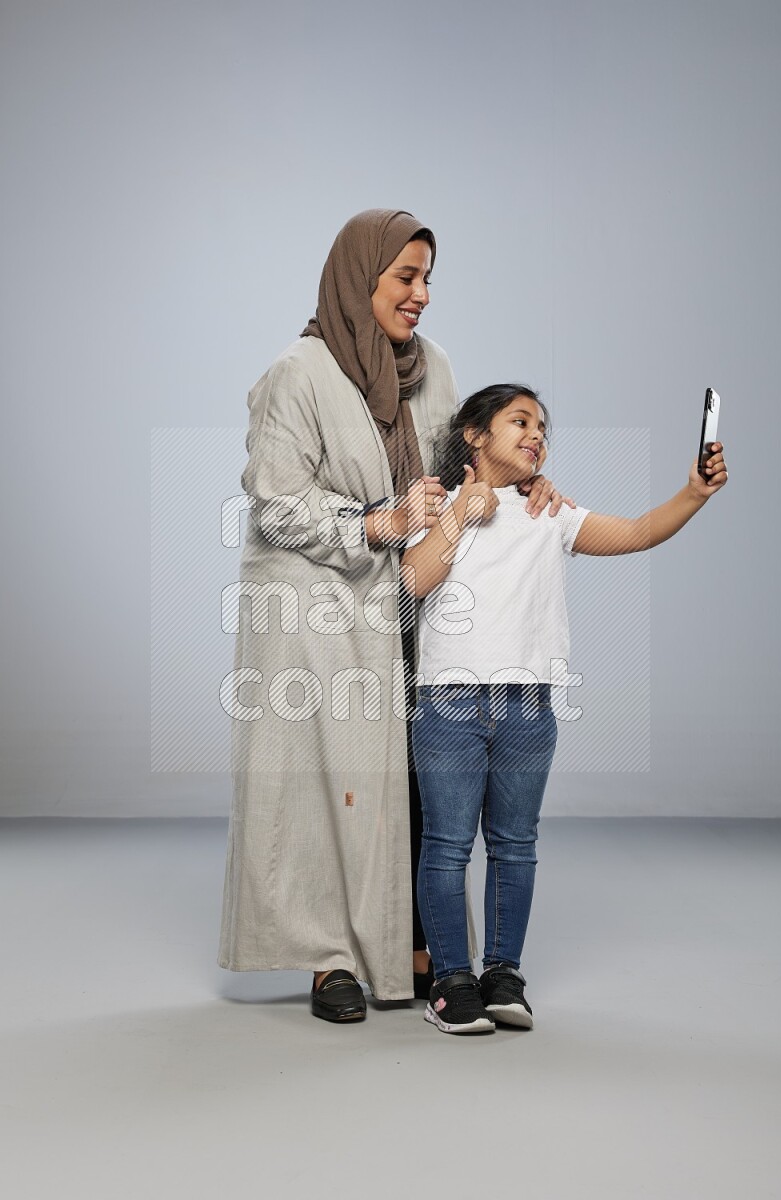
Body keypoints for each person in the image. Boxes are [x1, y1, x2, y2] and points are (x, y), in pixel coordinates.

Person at [218, 213, 571, 1021]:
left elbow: (461, 465)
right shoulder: (297, 373)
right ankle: (327, 958)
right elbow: (275, 501)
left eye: (426, 280)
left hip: (406, 596)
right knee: (324, 781)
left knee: (410, 776)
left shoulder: (433, 368)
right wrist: (375, 523)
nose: (420, 296)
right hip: (311, 604)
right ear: (360, 279)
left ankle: (410, 944)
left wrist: (526, 486)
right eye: (405, 278)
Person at [401, 383, 729, 1034]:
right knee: (446, 847)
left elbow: (635, 532)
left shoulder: (551, 513)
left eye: (543, 427)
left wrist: (693, 493)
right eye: (519, 421)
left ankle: (502, 974)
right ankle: (450, 982)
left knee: (516, 846)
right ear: (475, 434)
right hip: (449, 703)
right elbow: (413, 580)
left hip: (529, 707)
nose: (536, 435)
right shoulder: (442, 505)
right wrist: (461, 514)